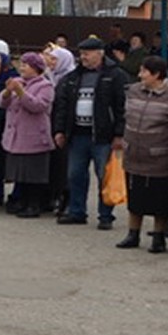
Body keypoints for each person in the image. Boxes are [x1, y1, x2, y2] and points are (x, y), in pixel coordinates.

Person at [50, 35, 130, 229]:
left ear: (99, 54)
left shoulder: (116, 76)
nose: (83, 57)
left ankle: (105, 216)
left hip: (104, 136)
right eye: (81, 53)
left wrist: (119, 134)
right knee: (75, 175)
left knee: (105, 176)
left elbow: (123, 107)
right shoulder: (73, 77)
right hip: (77, 134)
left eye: (87, 53)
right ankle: (77, 211)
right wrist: (60, 130)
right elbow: (62, 106)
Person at [115, 56, 168, 251]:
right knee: (135, 198)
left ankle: (159, 237)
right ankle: (133, 234)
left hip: (160, 159)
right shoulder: (132, 91)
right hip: (133, 155)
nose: (140, 75)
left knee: (160, 201)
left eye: (144, 72)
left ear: (157, 75)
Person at [0, 52, 57, 217]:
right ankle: (21, 201)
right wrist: (7, 92)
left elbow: (38, 106)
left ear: (36, 68)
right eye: (21, 64)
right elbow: (2, 103)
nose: (22, 68)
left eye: (26, 65)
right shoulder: (17, 81)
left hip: (34, 136)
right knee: (20, 173)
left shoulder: (45, 86)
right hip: (16, 136)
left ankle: (34, 205)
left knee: (33, 174)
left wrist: (22, 93)